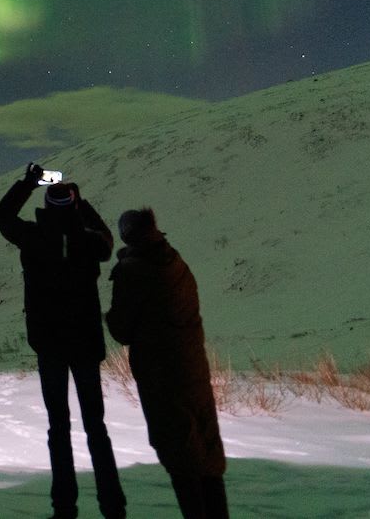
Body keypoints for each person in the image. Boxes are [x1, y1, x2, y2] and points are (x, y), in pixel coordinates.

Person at [0, 163, 126, 519]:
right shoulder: (89, 241)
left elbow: (2, 215)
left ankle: (64, 508)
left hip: (49, 344)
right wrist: (82, 205)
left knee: (58, 427)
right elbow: (107, 239)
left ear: (47, 206)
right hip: (85, 344)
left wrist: (28, 183)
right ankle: (113, 506)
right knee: (96, 428)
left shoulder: (33, 236)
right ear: (73, 204)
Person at [106, 208, 227, 519]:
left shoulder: (132, 271)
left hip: (161, 377)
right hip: (193, 368)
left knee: (179, 455)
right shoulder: (174, 261)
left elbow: (121, 329)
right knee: (206, 454)